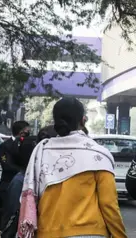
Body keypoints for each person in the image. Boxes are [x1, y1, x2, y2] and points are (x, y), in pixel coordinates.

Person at [18, 97, 127, 238]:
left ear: (55, 121)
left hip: (48, 233)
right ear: (83, 120)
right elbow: (109, 205)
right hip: (90, 233)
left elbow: (32, 199)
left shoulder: (42, 152)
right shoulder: (98, 155)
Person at [0, 121, 30, 203]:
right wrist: (22, 171)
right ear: (21, 132)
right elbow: (6, 164)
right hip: (9, 183)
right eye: (27, 131)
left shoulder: (28, 144)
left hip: (24, 185)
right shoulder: (5, 145)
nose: (28, 133)